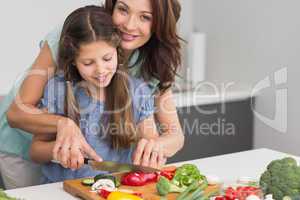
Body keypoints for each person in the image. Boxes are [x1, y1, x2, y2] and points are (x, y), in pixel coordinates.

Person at [1, 0, 184, 189]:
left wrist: (155, 148)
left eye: (145, 17)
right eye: (123, 9)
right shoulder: (77, 35)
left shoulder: (144, 78)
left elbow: (173, 135)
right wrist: (62, 129)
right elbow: (18, 116)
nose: (129, 25)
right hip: (22, 145)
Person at [30, 5, 160, 183]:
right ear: (73, 61)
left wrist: (152, 151)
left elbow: (152, 142)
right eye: (88, 62)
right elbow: (35, 152)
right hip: (61, 189)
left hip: (115, 190)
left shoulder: (138, 92)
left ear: (117, 51)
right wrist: (60, 150)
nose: (100, 70)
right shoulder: (58, 90)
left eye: (107, 59)